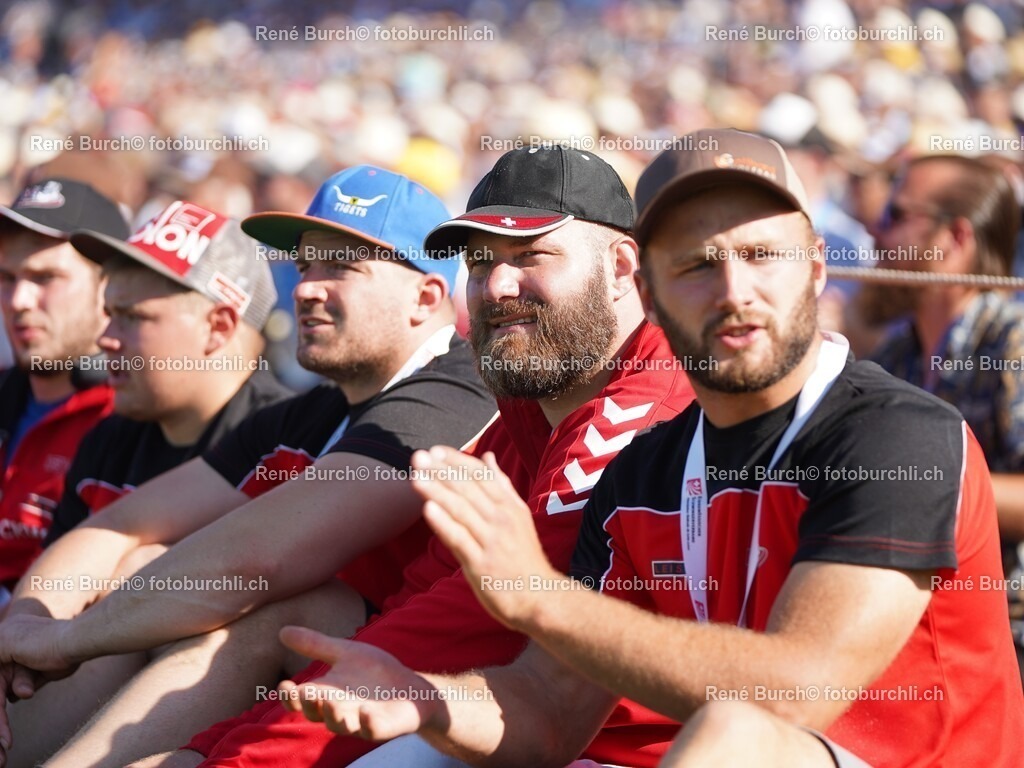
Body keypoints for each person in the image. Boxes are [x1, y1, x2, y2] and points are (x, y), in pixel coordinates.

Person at [279, 129, 1023, 768]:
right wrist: (424, 697)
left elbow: (798, 690)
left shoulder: (896, 434)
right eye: (696, 264)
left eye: (761, 253)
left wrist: (539, 596)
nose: (734, 290)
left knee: (737, 732)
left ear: (817, 267)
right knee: (415, 750)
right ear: (652, 291)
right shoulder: (644, 468)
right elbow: (545, 709)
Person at [137, 146, 696, 768]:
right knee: (297, 621)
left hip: (636, 752)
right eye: (480, 263)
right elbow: (415, 607)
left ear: (622, 268)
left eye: (531, 255)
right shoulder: (524, 411)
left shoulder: (633, 414)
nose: (498, 286)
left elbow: (452, 631)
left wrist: (229, 759)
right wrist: (205, 750)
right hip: (532, 715)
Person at [0, 166, 497, 768]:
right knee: (150, 569)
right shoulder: (314, 410)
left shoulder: (462, 385)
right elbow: (117, 527)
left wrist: (65, 639)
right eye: (306, 266)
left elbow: (261, 562)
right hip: (342, 677)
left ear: (425, 297)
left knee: (254, 605)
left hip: (462, 700)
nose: (306, 286)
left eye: (339, 266)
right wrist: (23, 628)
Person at [866, 154, 1024, 684]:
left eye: (896, 214)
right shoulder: (895, 355)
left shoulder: (1014, 339)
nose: (876, 230)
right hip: (922, 638)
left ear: (955, 240)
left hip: (1009, 637)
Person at [0, 178, 128, 595]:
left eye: (45, 277)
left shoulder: (135, 420)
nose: (19, 300)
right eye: (6, 277)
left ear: (108, 290)